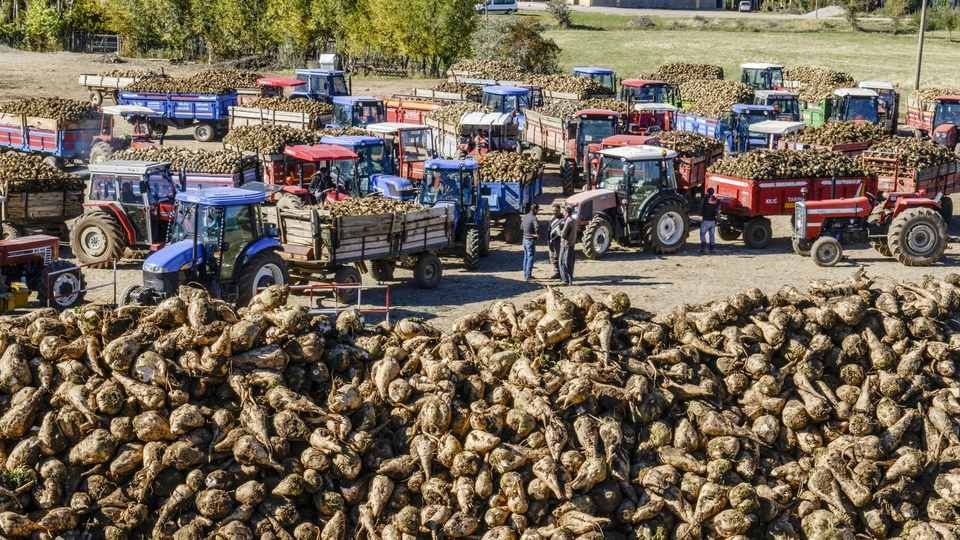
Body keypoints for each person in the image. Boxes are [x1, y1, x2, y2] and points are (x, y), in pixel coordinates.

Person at [558, 206, 578, 286]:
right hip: (571, 244)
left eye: (564, 212)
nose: (563, 213)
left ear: (567, 213)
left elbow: (563, 234)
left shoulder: (568, 221)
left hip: (565, 245)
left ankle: (565, 280)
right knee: (570, 262)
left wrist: (557, 230)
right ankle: (569, 279)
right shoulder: (574, 221)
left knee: (562, 262)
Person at [521, 203, 540, 282]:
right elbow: (537, 227)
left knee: (525, 257)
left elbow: (521, 227)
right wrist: (537, 235)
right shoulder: (534, 218)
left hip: (524, 239)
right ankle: (528, 276)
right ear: (535, 210)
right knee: (530, 257)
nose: (538, 211)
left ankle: (526, 274)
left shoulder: (525, 216)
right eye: (538, 210)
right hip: (530, 240)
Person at [701, 187, 719, 253]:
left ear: (707, 192)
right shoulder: (716, 200)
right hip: (713, 220)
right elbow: (718, 211)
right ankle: (712, 247)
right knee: (712, 234)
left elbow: (700, 206)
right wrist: (717, 220)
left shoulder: (705, 199)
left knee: (702, 234)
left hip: (705, 219)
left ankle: (704, 246)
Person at [547, 204, 563, 280]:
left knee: (559, 257)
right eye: (553, 211)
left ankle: (561, 273)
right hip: (551, 241)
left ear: (559, 211)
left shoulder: (563, 219)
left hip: (559, 242)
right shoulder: (552, 218)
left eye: (556, 211)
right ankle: (556, 272)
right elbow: (549, 229)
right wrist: (548, 239)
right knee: (552, 257)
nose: (554, 212)